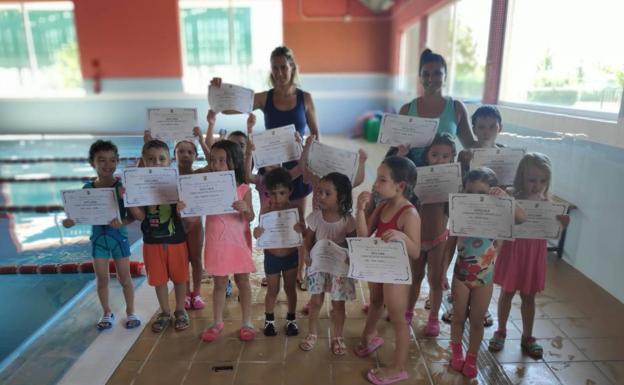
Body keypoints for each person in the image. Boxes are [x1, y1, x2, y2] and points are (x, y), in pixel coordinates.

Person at [212, 46, 321, 289]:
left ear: (292, 68)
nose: (280, 72)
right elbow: (235, 105)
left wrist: (309, 155)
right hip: (271, 168)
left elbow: (315, 134)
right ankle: (272, 267)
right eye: (275, 68)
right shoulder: (266, 97)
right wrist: (218, 91)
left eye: (284, 66)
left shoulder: (305, 98)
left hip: (296, 166)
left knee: (296, 220)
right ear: (271, 71)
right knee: (270, 217)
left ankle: (299, 270)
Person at [489, 153, 570, 359]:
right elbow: (500, 223)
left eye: (543, 181)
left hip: (534, 254)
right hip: (513, 251)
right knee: (507, 293)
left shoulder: (548, 203)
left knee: (529, 296)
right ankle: (501, 331)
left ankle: (527, 336)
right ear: (521, 178)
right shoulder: (513, 198)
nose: (537, 185)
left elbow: (553, 233)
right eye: (532, 180)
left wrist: (562, 224)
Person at [449, 168, 525, 378]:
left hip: (485, 278)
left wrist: (505, 198)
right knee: (458, 317)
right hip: (461, 276)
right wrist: (441, 273)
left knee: (476, 319)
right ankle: (456, 350)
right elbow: (450, 244)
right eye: (470, 193)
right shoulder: (461, 216)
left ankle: (472, 356)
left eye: (481, 193)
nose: (475, 198)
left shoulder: (498, 214)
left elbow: (521, 218)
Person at [354, 156, 421, 385]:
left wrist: (403, 237)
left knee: (397, 318)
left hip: (396, 275)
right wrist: (360, 210)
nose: (375, 185)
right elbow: (363, 237)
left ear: (400, 186)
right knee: (374, 302)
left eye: (382, 180)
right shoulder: (383, 206)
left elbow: (415, 251)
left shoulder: (409, 214)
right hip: (379, 267)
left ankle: (398, 367)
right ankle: (369, 337)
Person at [62, 140, 139, 330]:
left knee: (125, 278)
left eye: (112, 160)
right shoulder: (87, 189)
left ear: (118, 162)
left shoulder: (121, 188)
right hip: (98, 240)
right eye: (102, 160)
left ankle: (131, 312)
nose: (108, 165)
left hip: (118, 239)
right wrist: (69, 222)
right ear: (92, 163)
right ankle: (106, 312)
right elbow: (77, 217)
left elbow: (132, 217)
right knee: (102, 279)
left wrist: (122, 222)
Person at [442, 105, 506, 325]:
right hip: (466, 215)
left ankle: (482, 306)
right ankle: (456, 302)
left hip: (490, 219)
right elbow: (457, 180)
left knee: (487, 261)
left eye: (491, 126)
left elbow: (508, 186)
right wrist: (464, 161)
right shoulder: (466, 153)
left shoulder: (505, 154)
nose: (486, 131)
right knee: (461, 256)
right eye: (481, 127)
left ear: (500, 128)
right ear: (474, 129)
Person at [196, 138, 257, 342]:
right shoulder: (206, 187)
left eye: (222, 160)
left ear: (234, 162)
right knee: (219, 284)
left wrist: (246, 209)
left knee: (243, 282)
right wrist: (184, 206)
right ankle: (217, 322)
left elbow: (251, 217)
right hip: (216, 242)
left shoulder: (243, 189)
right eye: (213, 160)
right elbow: (193, 209)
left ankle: (247, 322)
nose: (216, 165)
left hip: (237, 242)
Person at [126, 140, 189, 333]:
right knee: (159, 280)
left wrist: (182, 207)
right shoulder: (140, 187)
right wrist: (129, 200)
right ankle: (165, 312)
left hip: (176, 241)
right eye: (151, 159)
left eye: (161, 159)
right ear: (143, 162)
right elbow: (140, 217)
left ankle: (180, 310)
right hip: (152, 243)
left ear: (170, 161)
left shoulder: (177, 184)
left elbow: (187, 218)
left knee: (180, 279)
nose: (156, 163)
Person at [144, 127, 207, 310]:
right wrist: (148, 142)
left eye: (190, 152)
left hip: (195, 225)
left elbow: (214, 163)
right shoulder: (166, 176)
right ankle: (186, 294)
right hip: (175, 226)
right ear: (174, 156)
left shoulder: (198, 174)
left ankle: (197, 293)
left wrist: (202, 141)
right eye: (181, 151)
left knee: (195, 259)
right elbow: (144, 176)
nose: (185, 155)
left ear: (195, 156)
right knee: (182, 261)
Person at [299, 172, 356, 355]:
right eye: (319, 192)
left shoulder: (348, 220)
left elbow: (353, 243)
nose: (320, 196)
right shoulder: (316, 217)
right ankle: (312, 333)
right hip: (318, 266)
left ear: (342, 196)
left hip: (339, 269)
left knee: (338, 304)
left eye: (327, 193)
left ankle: (338, 336)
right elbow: (308, 239)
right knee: (315, 302)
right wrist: (307, 255)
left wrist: (349, 257)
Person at [405, 134, 456, 336]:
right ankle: (408, 311)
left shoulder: (452, 183)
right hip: (417, 239)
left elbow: (453, 213)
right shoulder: (418, 178)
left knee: (436, 280)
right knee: (415, 277)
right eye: (435, 155)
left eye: (445, 156)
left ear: (452, 158)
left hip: (438, 239)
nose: (440, 160)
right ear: (427, 156)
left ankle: (433, 318)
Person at [397, 49, 476, 167]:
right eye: (426, 74)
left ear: (445, 77)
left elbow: (470, 145)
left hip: (444, 176)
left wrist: (493, 146)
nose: (430, 79)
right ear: (420, 77)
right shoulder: (406, 110)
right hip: (412, 175)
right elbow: (396, 150)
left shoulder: (456, 108)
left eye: (437, 73)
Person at [253, 167, 305, 337]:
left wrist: (300, 228)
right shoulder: (266, 211)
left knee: (290, 288)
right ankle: (269, 320)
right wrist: (257, 233)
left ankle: (291, 318)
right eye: (272, 193)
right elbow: (257, 232)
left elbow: (303, 231)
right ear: (267, 193)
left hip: (290, 256)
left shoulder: (296, 210)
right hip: (272, 257)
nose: (277, 198)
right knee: (272, 291)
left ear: (289, 191)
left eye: (281, 193)